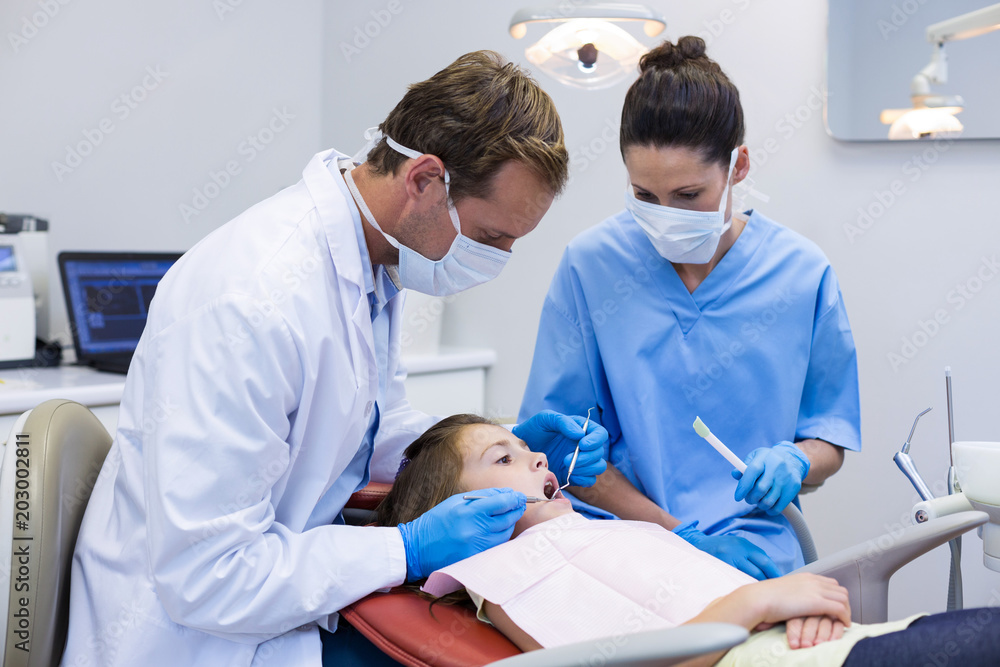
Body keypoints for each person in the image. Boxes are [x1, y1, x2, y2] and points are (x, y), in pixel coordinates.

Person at [62, 51, 609, 667]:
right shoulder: (252, 302)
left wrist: (497, 444)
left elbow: (364, 428)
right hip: (192, 634)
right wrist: (406, 550)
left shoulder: (376, 261)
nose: (499, 259)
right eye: (490, 238)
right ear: (425, 181)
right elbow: (207, 577)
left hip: (279, 590)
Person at [518, 36, 861, 579]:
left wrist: (797, 461)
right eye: (644, 197)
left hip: (751, 545)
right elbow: (566, 453)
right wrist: (675, 536)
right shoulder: (592, 266)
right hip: (615, 537)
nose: (665, 217)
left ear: (738, 166)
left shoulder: (801, 274)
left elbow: (829, 436)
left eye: (688, 195)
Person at [373, 415, 1000, 666]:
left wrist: (791, 604)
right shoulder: (505, 575)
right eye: (504, 458)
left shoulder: (595, 537)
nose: (539, 456)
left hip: (821, 648)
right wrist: (758, 605)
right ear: (458, 515)